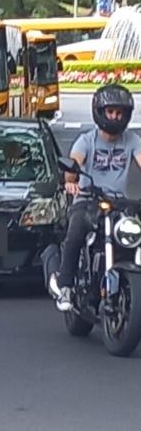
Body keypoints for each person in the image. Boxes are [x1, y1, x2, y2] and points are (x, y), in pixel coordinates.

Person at [49, 84, 141, 312]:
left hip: (121, 203)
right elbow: (74, 162)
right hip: (89, 200)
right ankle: (66, 285)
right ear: (100, 112)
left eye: (119, 112)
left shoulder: (132, 140)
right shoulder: (86, 140)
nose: (115, 117)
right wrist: (71, 180)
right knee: (76, 229)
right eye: (111, 112)